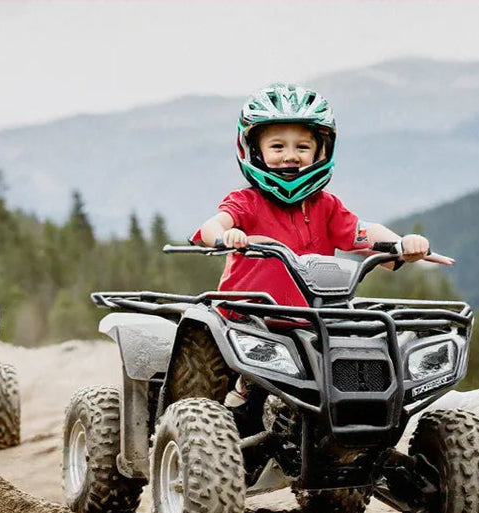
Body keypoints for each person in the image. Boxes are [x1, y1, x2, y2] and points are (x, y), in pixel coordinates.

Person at [191, 82, 454, 405]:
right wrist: (225, 236)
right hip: (247, 320)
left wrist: (402, 244)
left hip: (316, 321)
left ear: (320, 152)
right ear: (255, 151)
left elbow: (364, 234)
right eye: (277, 147)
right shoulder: (247, 202)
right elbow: (212, 225)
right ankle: (227, 417)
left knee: (367, 367)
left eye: (302, 147)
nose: (290, 156)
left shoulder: (326, 206)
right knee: (231, 396)